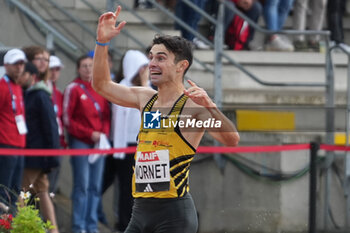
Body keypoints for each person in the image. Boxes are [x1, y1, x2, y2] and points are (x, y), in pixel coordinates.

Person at [92, 6, 240, 233]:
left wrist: (211, 107)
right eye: (151, 57)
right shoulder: (146, 100)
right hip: (140, 211)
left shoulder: (191, 109)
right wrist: (102, 43)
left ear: (182, 66)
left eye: (161, 58)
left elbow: (231, 139)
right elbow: (101, 85)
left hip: (174, 215)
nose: (152, 63)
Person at [99, 49, 149, 232]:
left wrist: (145, 84)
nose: (146, 72)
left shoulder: (149, 89)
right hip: (122, 146)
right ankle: (124, 225)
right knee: (125, 188)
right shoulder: (122, 88)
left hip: (142, 146)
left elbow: (153, 119)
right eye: (142, 68)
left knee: (137, 190)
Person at [63, 55, 111, 233]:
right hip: (81, 142)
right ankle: (78, 226)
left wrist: (103, 134)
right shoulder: (73, 88)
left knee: (95, 186)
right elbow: (68, 119)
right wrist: (89, 134)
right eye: (84, 66)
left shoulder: (100, 88)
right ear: (78, 69)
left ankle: (92, 225)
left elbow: (106, 115)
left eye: (91, 66)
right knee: (81, 185)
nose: (88, 69)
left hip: (100, 142)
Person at [21, 46, 61, 233]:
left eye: (47, 59)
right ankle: (53, 230)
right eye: (39, 58)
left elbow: (51, 127)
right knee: (42, 192)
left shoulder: (40, 93)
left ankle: (17, 226)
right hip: (33, 152)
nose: (44, 62)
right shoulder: (28, 90)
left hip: (35, 154)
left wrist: (52, 155)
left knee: (20, 193)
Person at [0, 49, 27, 213]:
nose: (19, 67)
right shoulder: (3, 86)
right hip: (6, 144)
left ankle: (11, 224)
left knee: (15, 189)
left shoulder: (17, 86)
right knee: (4, 188)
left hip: (19, 145)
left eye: (22, 63)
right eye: (16, 64)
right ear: (6, 65)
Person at [47, 55, 67, 194]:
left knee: (53, 181)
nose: (54, 73)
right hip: (45, 142)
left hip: (57, 142)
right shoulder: (39, 90)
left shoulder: (58, 93)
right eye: (51, 69)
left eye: (57, 69)